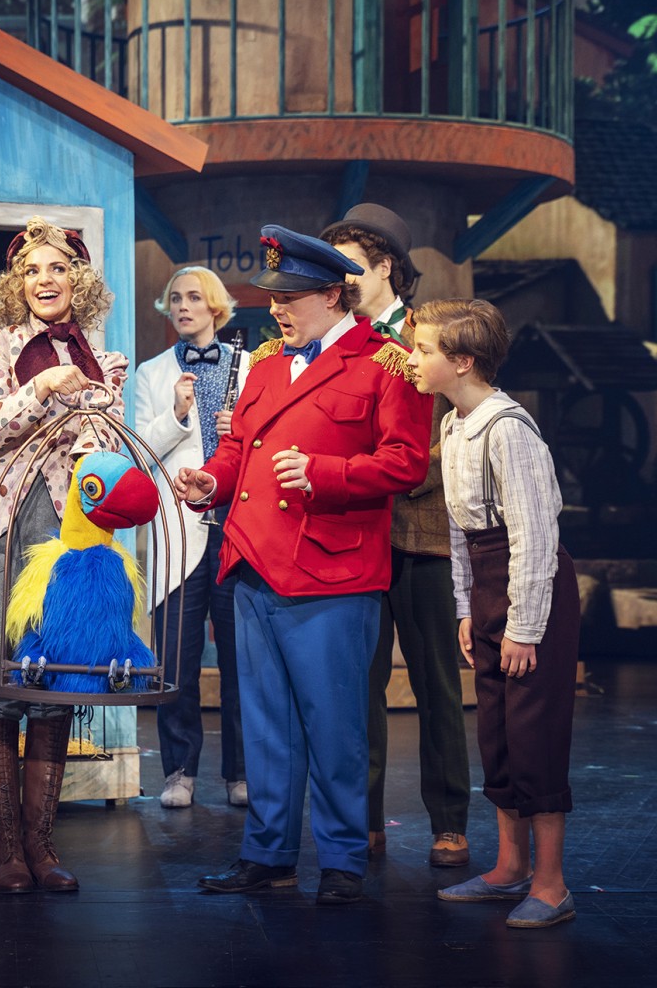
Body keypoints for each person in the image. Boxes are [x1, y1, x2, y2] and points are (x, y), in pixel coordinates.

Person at [175, 225, 432, 905]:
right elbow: (240, 451)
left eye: (290, 297)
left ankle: (344, 860)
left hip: (330, 574)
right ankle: (269, 854)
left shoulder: (384, 363)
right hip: (254, 562)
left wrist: (325, 473)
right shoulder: (262, 365)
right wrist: (210, 480)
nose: (277, 308)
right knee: (263, 726)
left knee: (334, 725)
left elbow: (406, 462)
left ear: (331, 293)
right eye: (272, 296)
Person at [0, 216, 128, 894]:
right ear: (18, 283)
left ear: (78, 278)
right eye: (32, 270)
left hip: (67, 536)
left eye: (57, 267)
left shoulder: (103, 355)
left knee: (57, 681)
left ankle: (43, 847)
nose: (45, 279)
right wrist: (43, 386)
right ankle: (5, 850)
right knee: (1, 686)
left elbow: (111, 449)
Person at [405, 298, 580, 929]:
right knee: (498, 734)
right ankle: (509, 868)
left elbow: (534, 534)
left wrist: (525, 626)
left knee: (535, 734)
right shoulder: (454, 427)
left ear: (462, 361)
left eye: (424, 350)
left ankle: (552, 883)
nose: (413, 360)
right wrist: (464, 609)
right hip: (486, 584)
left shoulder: (507, 429)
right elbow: (459, 533)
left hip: (531, 588)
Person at [321, 204, 471, 867]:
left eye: (352, 265)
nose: (342, 278)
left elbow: (456, 429)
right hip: (356, 538)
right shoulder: (336, 339)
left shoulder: (427, 335)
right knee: (358, 687)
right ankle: (364, 818)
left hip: (422, 535)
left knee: (437, 685)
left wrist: (388, 473)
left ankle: (448, 820)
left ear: (385, 266)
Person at [132, 266, 248, 809]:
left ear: (216, 308)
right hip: (177, 527)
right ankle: (179, 770)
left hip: (236, 527)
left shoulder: (248, 367)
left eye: (194, 298)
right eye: (175, 298)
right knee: (175, 659)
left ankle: (241, 772)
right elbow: (137, 452)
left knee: (241, 661)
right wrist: (177, 414)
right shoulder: (151, 373)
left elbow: (266, 446)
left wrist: (239, 434)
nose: (182, 306)